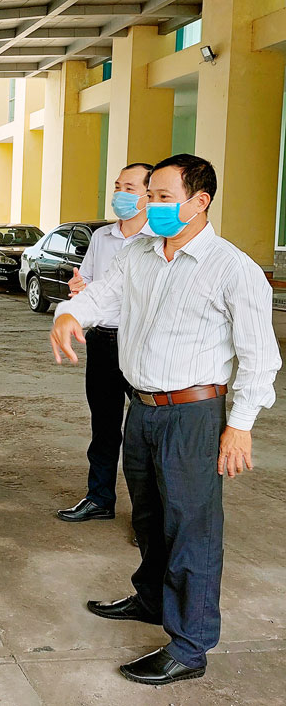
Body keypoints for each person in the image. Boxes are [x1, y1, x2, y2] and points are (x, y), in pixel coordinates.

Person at [50, 154, 281, 685]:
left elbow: (260, 356)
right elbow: (101, 298)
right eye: (147, 195)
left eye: (160, 198)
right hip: (145, 409)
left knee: (192, 529)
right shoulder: (140, 254)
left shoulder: (232, 268)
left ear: (199, 202)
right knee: (150, 517)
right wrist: (68, 315)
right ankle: (152, 599)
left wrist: (240, 424)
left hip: (194, 415)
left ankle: (189, 645)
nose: (148, 206)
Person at [57, 163, 154, 523]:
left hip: (140, 342)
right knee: (104, 426)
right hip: (103, 340)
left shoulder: (157, 240)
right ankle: (99, 498)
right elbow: (92, 284)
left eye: (129, 187)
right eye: (117, 186)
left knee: (145, 433)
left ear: (148, 193)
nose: (119, 194)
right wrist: (80, 290)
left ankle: (148, 517)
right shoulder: (102, 237)